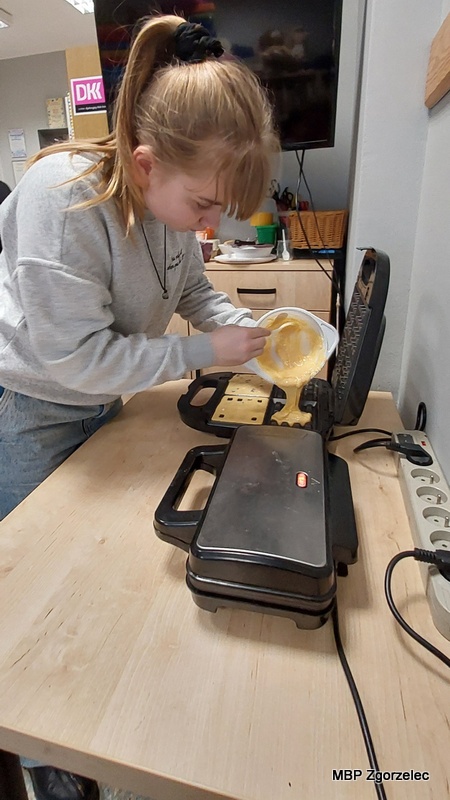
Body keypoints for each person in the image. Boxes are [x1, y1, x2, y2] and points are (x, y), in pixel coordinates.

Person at [0, 14, 279, 800]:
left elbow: (188, 289)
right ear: (145, 161)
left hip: (94, 400)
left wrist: (253, 332)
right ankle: (51, 774)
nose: (208, 226)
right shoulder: (63, 202)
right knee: (34, 618)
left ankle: (101, 745)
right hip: (27, 404)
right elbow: (76, 359)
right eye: (202, 205)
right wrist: (200, 353)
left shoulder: (164, 206)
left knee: (92, 594)